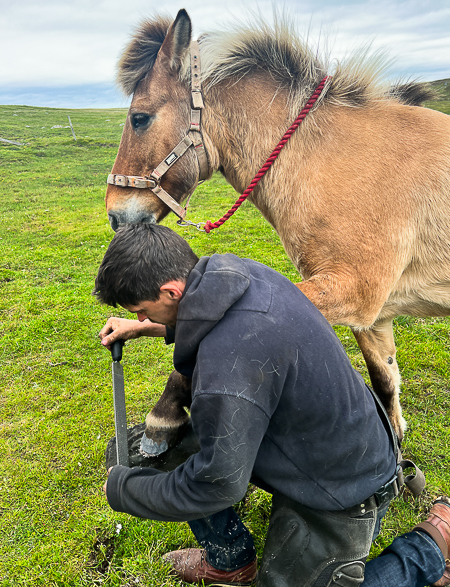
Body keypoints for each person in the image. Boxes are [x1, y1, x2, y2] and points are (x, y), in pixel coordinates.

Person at [94, 223, 450, 587]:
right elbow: (207, 317)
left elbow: (217, 485)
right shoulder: (235, 275)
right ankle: (230, 561)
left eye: (140, 310)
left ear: (171, 291)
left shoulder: (227, 371)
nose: (138, 317)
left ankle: (431, 546)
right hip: (310, 444)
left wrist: (125, 491)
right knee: (145, 454)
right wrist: (144, 328)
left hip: (347, 488)